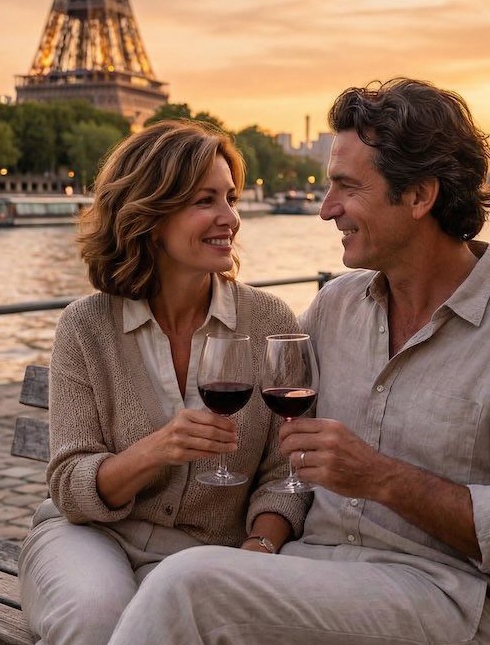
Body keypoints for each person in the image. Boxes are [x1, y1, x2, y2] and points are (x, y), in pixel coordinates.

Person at [107, 79, 490, 644]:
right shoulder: (333, 308)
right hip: (309, 579)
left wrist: (384, 479)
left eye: (346, 187)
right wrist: (259, 541)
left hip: (446, 601)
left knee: (186, 586)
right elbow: (285, 470)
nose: (326, 210)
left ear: (419, 196)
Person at [18, 120, 311, 645]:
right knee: (92, 620)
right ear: (151, 218)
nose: (231, 218)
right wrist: (156, 450)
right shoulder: (87, 326)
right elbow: (68, 486)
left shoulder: (269, 321)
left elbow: (285, 474)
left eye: (231, 197)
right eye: (206, 201)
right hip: (90, 538)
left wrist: (260, 550)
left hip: (210, 553)